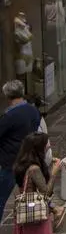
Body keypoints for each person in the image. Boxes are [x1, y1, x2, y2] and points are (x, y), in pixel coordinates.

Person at [0, 80, 42, 214]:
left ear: (7, 96)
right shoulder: (33, 110)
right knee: (30, 192)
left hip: (11, 161)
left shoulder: (9, 116)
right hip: (29, 158)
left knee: (1, 196)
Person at [12, 133, 62, 234]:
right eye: (46, 144)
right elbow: (46, 193)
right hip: (36, 214)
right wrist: (54, 172)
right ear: (39, 147)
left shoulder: (20, 164)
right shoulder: (34, 169)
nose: (49, 146)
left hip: (24, 212)